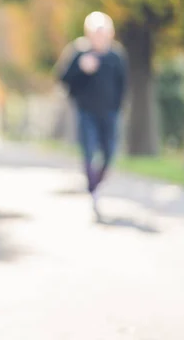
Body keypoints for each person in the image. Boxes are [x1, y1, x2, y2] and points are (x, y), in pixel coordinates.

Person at [56, 11, 127, 219]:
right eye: (96, 33)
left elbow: (123, 85)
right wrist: (80, 68)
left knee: (109, 152)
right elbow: (63, 79)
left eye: (104, 33)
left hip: (110, 113)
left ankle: (97, 184)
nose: (100, 38)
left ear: (110, 34)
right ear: (88, 34)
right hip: (86, 112)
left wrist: (117, 107)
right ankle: (92, 189)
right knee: (88, 151)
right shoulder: (78, 53)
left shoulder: (116, 56)